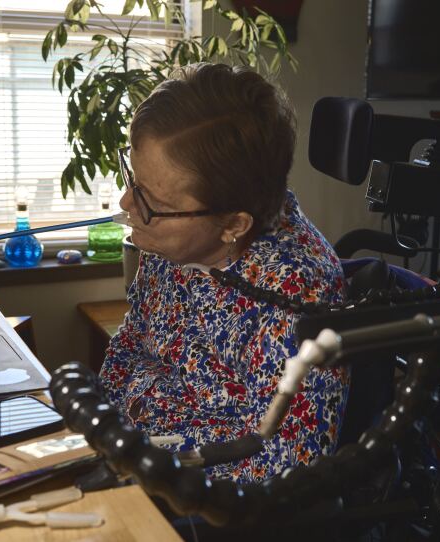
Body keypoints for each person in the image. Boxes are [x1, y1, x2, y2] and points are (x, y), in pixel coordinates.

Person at [99, 63, 349, 483]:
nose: (127, 203)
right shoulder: (169, 241)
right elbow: (129, 348)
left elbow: (281, 466)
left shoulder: (296, 297)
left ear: (234, 224)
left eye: (148, 198)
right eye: (133, 180)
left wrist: (145, 439)